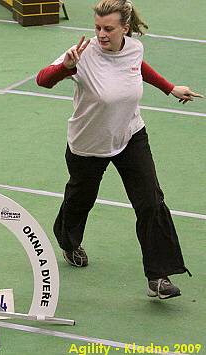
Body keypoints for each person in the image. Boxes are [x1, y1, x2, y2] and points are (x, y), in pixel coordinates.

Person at [36, 0, 202, 299]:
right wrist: (66, 67)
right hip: (89, 144)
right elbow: (42, 80)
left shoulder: (134, 48)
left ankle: (159, 277)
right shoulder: (82, 54)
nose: (101, 34)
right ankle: (68, 241)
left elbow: (137, 66)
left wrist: (169, 87)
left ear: (124, 28)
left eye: (108, 29)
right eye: (98, 27)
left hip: (130, 135)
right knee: (80, 199)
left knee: (151, 202)